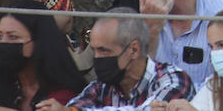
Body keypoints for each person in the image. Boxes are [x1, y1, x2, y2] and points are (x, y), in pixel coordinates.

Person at [0, 0, 85, 111]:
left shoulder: (66, 91)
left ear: (39, 42)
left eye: (13, 37)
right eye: (0, 36)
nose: (4, 43)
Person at [66, 11, 194, 109]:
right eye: (95, 51)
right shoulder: (103, 86)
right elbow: (76, 107)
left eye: (104, 50)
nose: (97, 58)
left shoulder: (174, 80)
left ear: (134, 49)